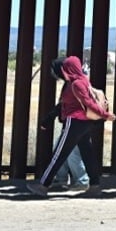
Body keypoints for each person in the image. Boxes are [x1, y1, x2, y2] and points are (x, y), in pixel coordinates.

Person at [27, 55, 116, 197]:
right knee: (88, 154)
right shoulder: (83, 80)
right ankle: (94, 185)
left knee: (59, 154)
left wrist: (105, 114)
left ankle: (43, 186)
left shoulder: (75, 84)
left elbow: (88, 103)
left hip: (74, 122)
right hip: (85, 123)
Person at [38, 57, 89, 191]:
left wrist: (49, 118)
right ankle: (61, 179)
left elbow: (63, 105)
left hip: (75, 123)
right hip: (74, 122)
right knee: (61, 149)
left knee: (71, 152)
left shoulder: (73, 83)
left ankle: (81, 181)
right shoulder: (73, 81)